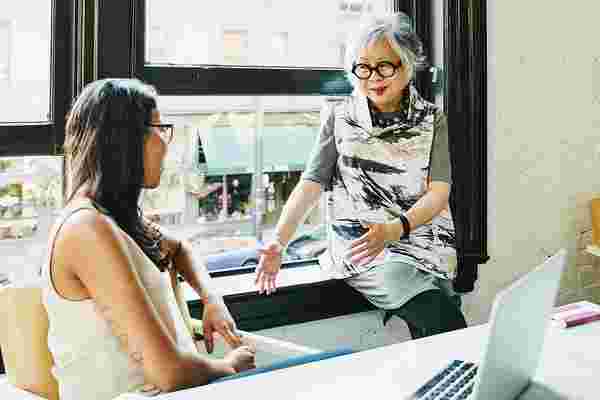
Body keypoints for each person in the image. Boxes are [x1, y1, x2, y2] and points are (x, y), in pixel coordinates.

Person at [255, 13, 467, 340]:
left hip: (422, 237)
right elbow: (310, 185)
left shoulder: (431, 119)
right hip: (364, 245)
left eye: (384, 66)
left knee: (441, 322)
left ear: (408, 63)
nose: (373, 78)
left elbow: (438, 193)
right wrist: (278, 242)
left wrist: (396, 229)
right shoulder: (340, 117)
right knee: (441, 317)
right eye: (363, 68)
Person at [42, 78, 255, 400]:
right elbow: (171, 373)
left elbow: (180, 249)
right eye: (160, 128)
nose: (166, 143)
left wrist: (212, 299)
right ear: (126, 139)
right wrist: (231, 366)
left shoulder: (113, 219)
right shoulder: (87, 228)